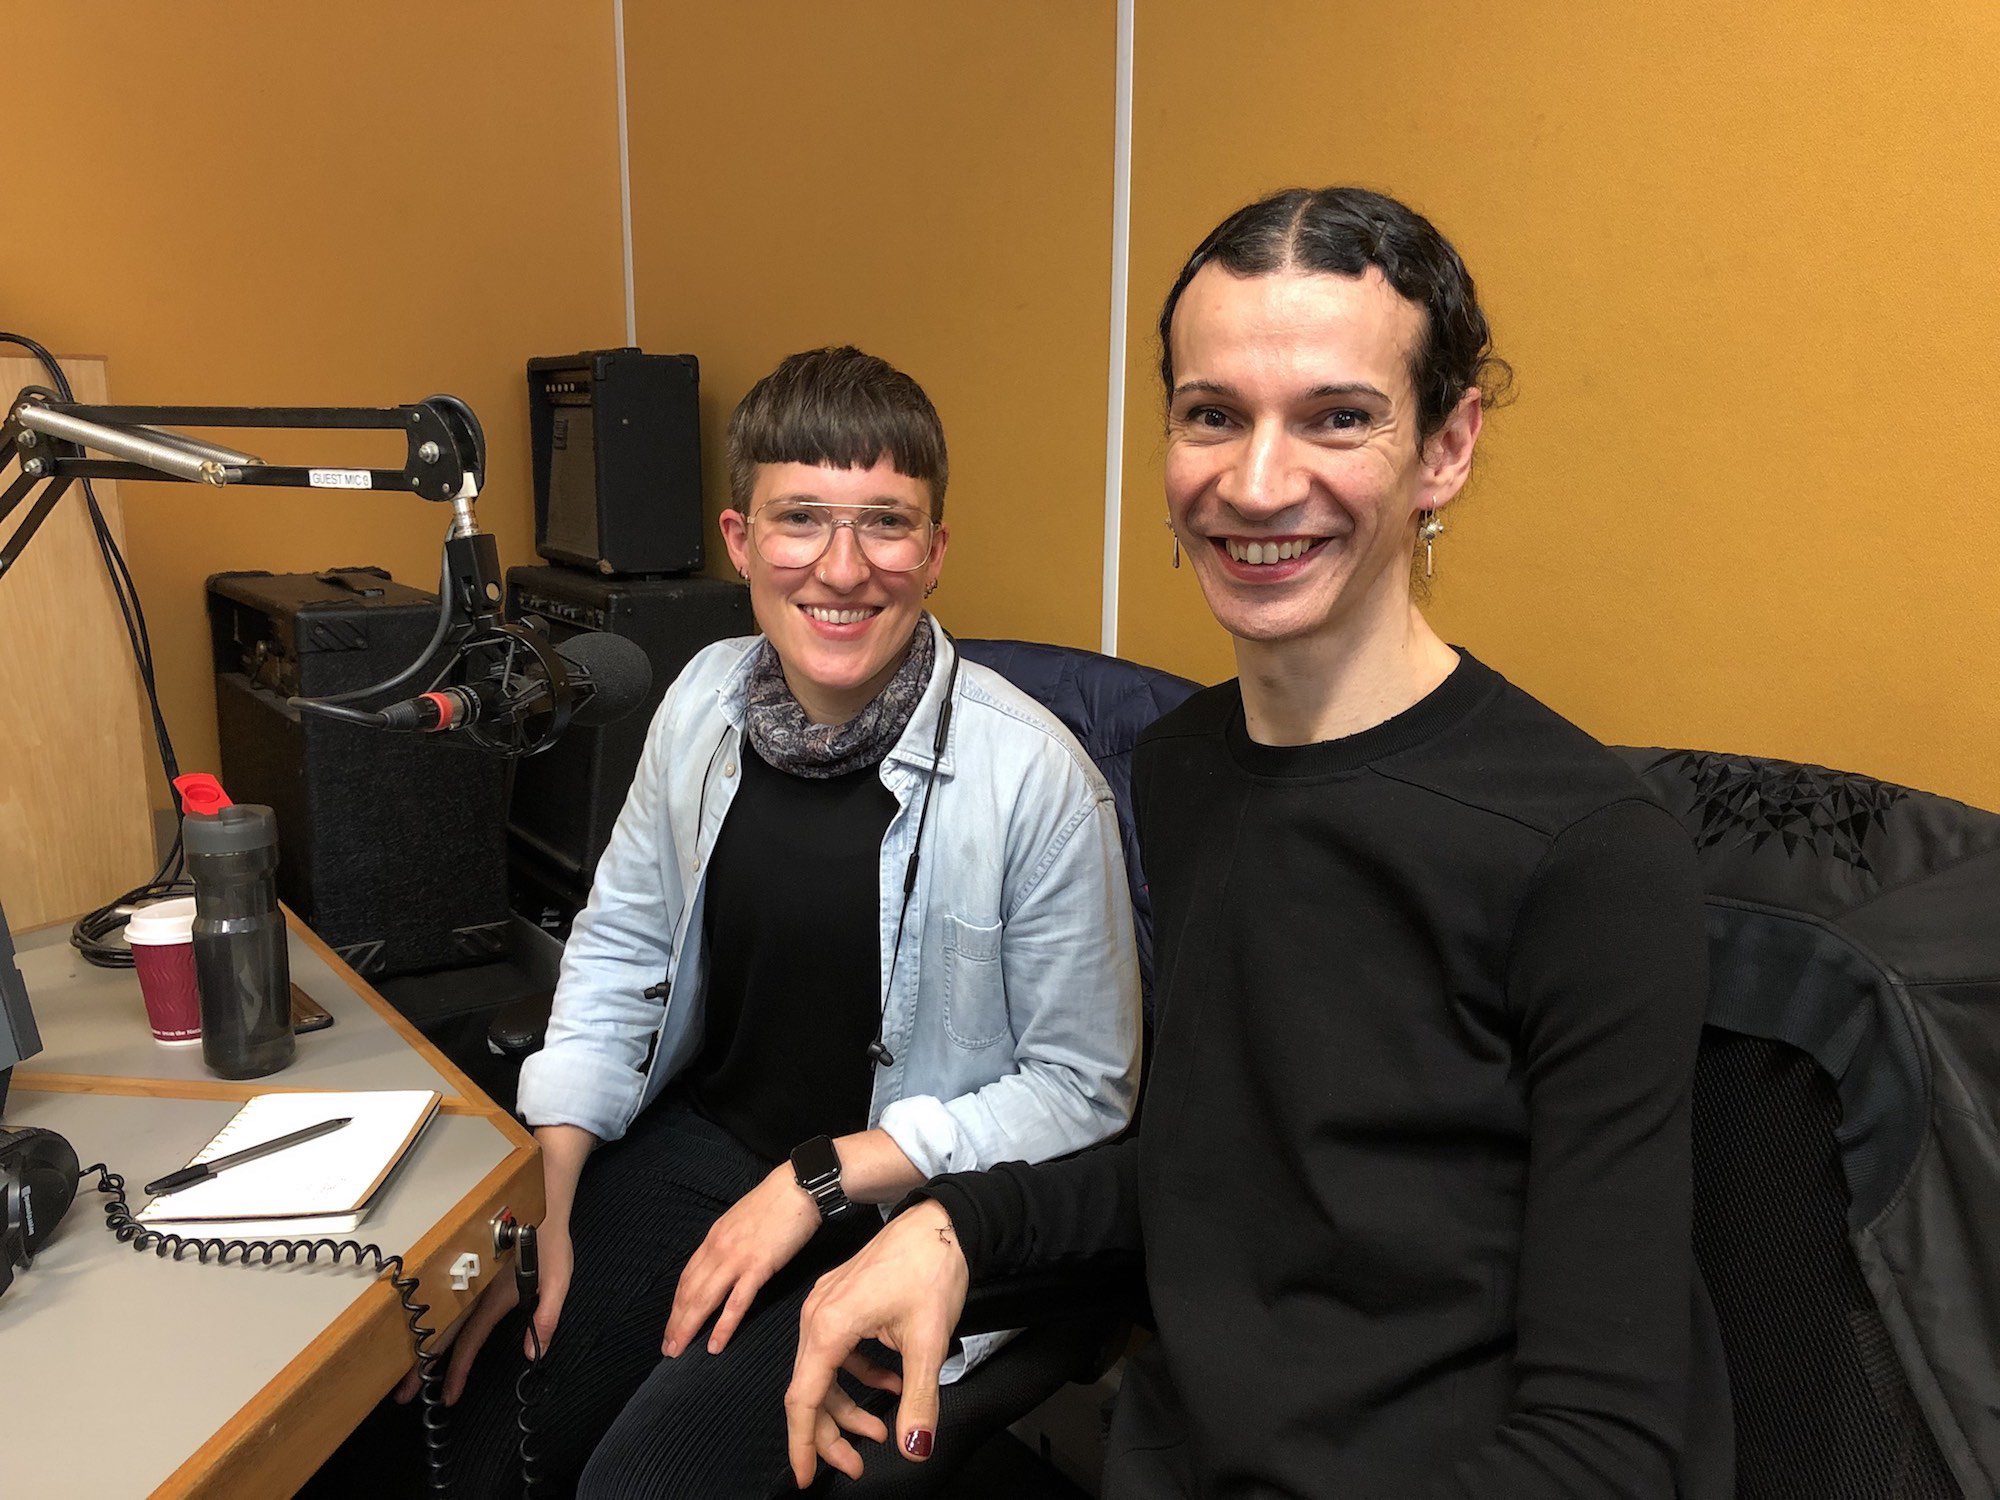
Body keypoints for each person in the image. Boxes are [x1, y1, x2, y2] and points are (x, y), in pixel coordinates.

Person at [785, 189, 1730, 1497]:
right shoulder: (1181, 768)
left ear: (1446, 448)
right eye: (1212, 414)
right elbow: (1214, 1178)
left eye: (1338, 417)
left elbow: (1608, 1448)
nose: (1256, 481)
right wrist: (957, 1226)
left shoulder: (1586, 853)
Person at [415, 346, 1141, 1496]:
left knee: (636, 1488)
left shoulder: (1037, 782)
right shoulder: (700, 698)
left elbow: (1081, 1085)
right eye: (799, 518)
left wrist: (815, 1180)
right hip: (703, 1147)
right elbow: (620, 948)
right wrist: (543, 1196)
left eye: (885, 525)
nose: (841, 568)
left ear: (936, 553)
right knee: (473, 1426)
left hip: (895, 1204)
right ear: (741, 539)